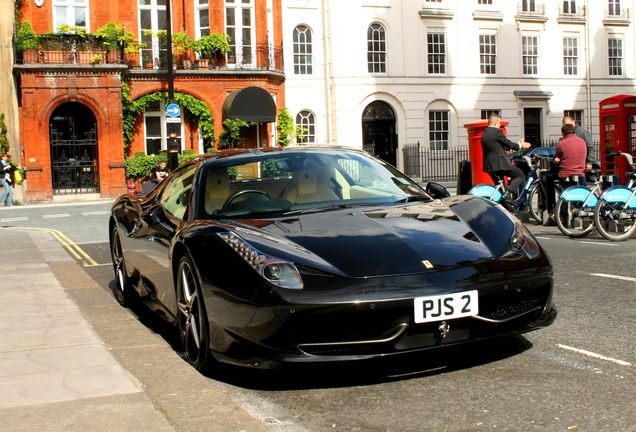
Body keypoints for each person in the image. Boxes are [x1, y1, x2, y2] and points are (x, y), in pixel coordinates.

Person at [481, 113, 531, 202]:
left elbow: (500, 145)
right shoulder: (496, 132)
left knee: (500, 188)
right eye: (499, 123)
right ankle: (508, 194)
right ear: (496, 123)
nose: (500, 125)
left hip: (489, 166)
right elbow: (508, 143)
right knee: (520, 175)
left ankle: (503, 205)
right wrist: (521, 145)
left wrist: (518, 144)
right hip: (499, 164)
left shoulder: (485, 133)